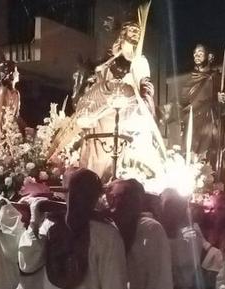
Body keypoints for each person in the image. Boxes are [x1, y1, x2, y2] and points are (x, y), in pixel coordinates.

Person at [51, 18, 166, 182]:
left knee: (122, 149)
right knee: (97, 146)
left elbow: (144, 84)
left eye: (137, 32)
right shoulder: (110, 56)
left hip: (126, 107)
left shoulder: (140, 60)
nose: (135, 34)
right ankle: (90, 180)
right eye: (132, 30)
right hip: (104, 108)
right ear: (124, 33)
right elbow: (97, 75)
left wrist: (144, 101)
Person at [180, 43, 225, 173]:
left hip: (210, 123)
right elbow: (183, 103)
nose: (196, 56)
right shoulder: (191, 79)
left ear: (209, 57)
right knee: (190, 154)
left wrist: (224, 100)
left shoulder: (218, 78)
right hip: (192, 123)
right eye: (195, 53)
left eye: (200, 53)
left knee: (209, 156)